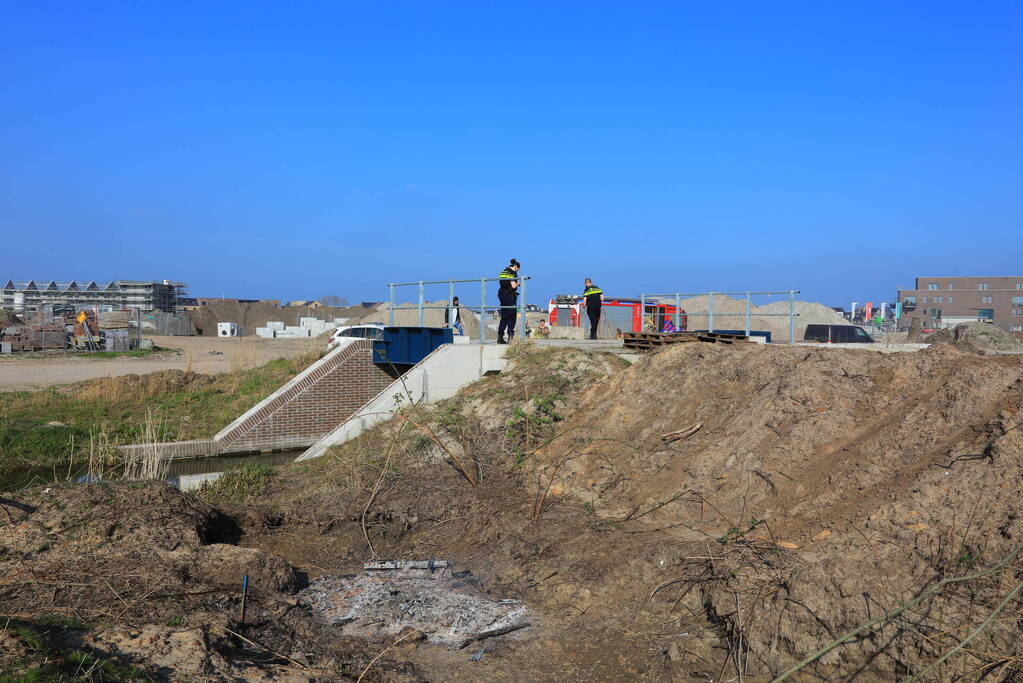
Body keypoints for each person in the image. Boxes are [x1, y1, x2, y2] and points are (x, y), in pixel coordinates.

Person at [497, 258, 521, 344]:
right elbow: (513, 285)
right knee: (512, 316)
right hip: (509, 296)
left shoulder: (504, 271)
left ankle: (500, 336)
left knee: (504, 317)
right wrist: (519, 283)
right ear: (516, 267)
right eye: (518, 269)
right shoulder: (513, 273)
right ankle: (510, 335)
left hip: (501, 294)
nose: (518, 271)